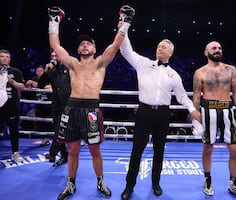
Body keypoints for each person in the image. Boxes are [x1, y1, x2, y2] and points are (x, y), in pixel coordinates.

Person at [48, 5, 135, 199]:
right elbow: (55, 46)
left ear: (94, 48)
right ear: (78, 49)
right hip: (71, 109)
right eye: (82, 44)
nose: (85, 45)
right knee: (72, 151)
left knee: (95, 150)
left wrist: (126, 22)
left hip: (91, 111)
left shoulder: (101, 62)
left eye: (88, 43)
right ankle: (70, 185)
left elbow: (116, 44)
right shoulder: (71, 63)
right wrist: (54, 21)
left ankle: (100, 181)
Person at [119, 33, 201, 199]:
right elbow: (126, 50)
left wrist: (192, 109)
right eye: (158, 45)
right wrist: (124, 30)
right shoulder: (144, 64)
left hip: (163, 114)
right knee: (136, 151)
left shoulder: (174, 75)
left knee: (159, 151)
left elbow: (182, 96)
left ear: (170, 53)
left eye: (164, 46)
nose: (160, 48)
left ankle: (156, 183)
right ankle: (129, 186)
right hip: (144, 112)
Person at [193, 41, 236, 200]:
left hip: (227, 110)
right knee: (208, 148)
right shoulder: (200, 72)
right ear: (206, 52)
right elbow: (196, 97)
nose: (217, 50)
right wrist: (195, 120)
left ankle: (233, 183)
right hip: (208, 110)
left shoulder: (231, 69)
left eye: (219, 48)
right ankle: (207, 179)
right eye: (214, 48)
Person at [38, 49, 70, 166]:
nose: (54, 57)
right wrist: (46, 71)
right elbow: (41, 84)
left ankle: (53, 153)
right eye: (52, 56)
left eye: (56, 55)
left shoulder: (70, 67)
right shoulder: (51, 71)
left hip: (69, 104)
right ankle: (63, 155)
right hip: (56, 105)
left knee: (61, 130)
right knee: (58, 130)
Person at [0, 49, 25, 162]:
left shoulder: (16, 71)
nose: (5, 58)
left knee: (14, 130)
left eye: (7, 57)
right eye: (2, 56)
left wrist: (11, 81)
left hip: (11, 106)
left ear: (10, 59)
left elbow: (22, 87)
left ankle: (15, 152)